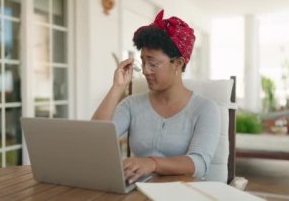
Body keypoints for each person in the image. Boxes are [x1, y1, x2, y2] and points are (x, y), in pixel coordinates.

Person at [92, 10, 221, 184]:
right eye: (143, 62)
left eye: (153, 63)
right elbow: (95, 140)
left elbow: (198, 163)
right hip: (137, 192)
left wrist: (152, 163)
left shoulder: (205, 109)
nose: (145, 71)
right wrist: (117, 88)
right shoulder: (131, 105)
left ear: (178, 63)